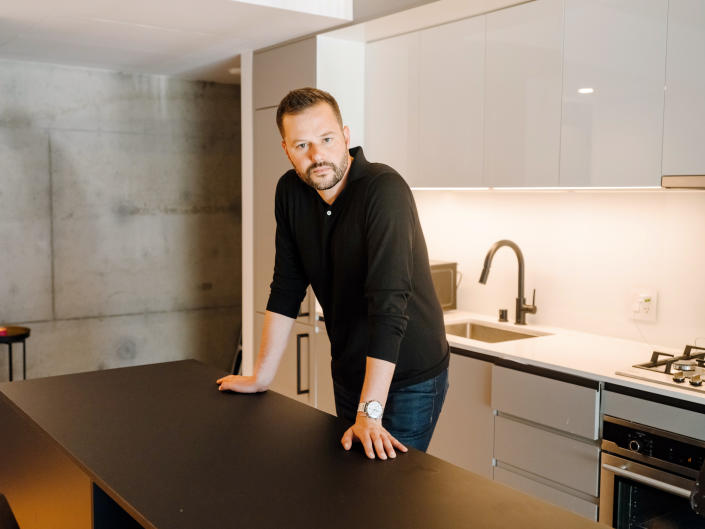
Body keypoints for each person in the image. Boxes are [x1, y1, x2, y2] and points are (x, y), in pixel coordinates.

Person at [217, 87, 449, 460]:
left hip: (409, 375)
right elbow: (287, 287)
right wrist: (261, 375)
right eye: (302, 145)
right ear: (286, 150)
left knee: (390, 498)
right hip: (349, 366)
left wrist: (369, 413)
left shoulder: (384, 191)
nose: (317, 156)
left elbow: (389, 308)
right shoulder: (290, 192)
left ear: (345, 136)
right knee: (354, 490)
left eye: (326, 139)